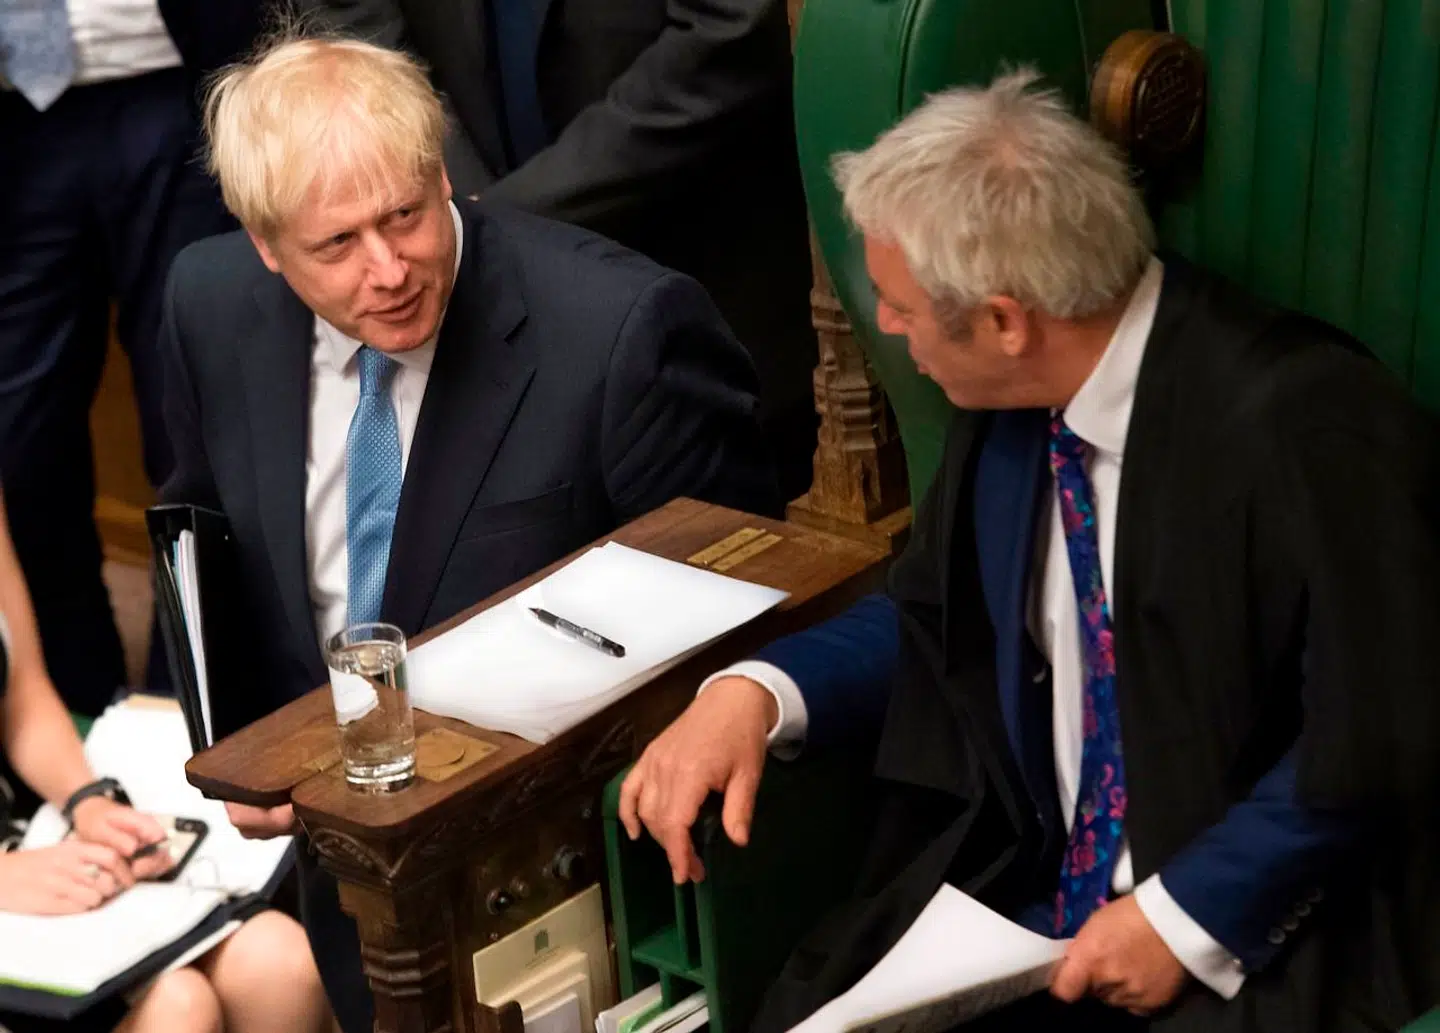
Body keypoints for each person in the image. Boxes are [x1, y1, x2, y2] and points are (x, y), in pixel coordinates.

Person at [619, 70, 1440, 1033]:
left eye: (900, 304)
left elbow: (1381, 728)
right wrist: (755, 691)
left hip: (1256, 946)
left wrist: (1182, 920)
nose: (885, 325)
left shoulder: (1309, 421)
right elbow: (938, 612)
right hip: (1029, 920)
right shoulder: (1013, 411)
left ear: (1007, 320)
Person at [158, 33, 778, 1033]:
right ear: (266, 245)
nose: (389, 268)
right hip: (340, 870)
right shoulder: (208, 301)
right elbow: (202, 532)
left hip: (564, 872)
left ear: (440, 171)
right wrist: (242, 750)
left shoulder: (621, 332)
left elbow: (737, 632)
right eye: (337, 245)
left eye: (406, 215)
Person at [298, 0, 819, 498]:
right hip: (466, 288)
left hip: (699, 273)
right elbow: (355, 25)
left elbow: (732, 30)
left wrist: (498, 215)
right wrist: (441, 195)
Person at [0, 0, 266, 716]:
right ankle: (71, 718)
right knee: (15, 455)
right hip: (11, 111)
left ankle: (193, 710)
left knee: (200, 436)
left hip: (180, 81)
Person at [0, 489, 330, 1033]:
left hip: (22, 832)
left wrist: (88, 801)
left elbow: (23, 699)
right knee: (179, 1008)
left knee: (280, 963)